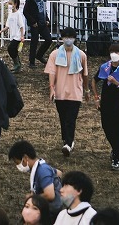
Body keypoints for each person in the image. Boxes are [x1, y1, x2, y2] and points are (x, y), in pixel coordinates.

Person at [44, 28, 88, 156]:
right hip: (60, 92)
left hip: (75, 92)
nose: (68, 39)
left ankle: (69, 143)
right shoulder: (55, 54)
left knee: (71, 118)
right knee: (63, 118)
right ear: (62, 38)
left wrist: (87, 90)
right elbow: (51, 72)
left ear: (74, 38)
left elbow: (84, 74)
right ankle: (66, 140)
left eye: (71, 37)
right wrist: (51, 88)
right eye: (65, 37)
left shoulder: (81, 55)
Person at [93, 44, 119, 170]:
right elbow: (94, 80)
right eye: (111, 52)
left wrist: (117, 84)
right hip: (105, 103)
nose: (113, 54)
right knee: (106, 127)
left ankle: (117, 157)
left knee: (118, 131)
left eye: (116, 52)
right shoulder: (105, 67)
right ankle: (115, 149)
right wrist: (96, 97)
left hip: (118, 103)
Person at [8, 141, 61, 213]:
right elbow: (59, 173)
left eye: (17, 163)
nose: (17, 166)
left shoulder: (42, 170)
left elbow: (50, 195)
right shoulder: (40, 167)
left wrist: (32, 197)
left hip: (52, 212)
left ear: (25, 158)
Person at [23, 0, 52, 69]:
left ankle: (39, 55)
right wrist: (32, 22)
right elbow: (26, 12)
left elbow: (44, 10)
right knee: (34, 42)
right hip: (35, 24)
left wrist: (47, 19)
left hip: (43, 23)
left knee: (48, 40)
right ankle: (31, 62)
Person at [0, 0, 25, 73]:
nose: (9, 5)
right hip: (12, 35)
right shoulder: (10, 14)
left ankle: (17, 64)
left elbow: (21, 26)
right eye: (9, 3)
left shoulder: (18, 14)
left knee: (11, 48)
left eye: (11, 4)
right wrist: (0, 31)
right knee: (13, 50)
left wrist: (22, 36)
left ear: (15, 4)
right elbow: (7, 26)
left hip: (17, 36)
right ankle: (17, 65)